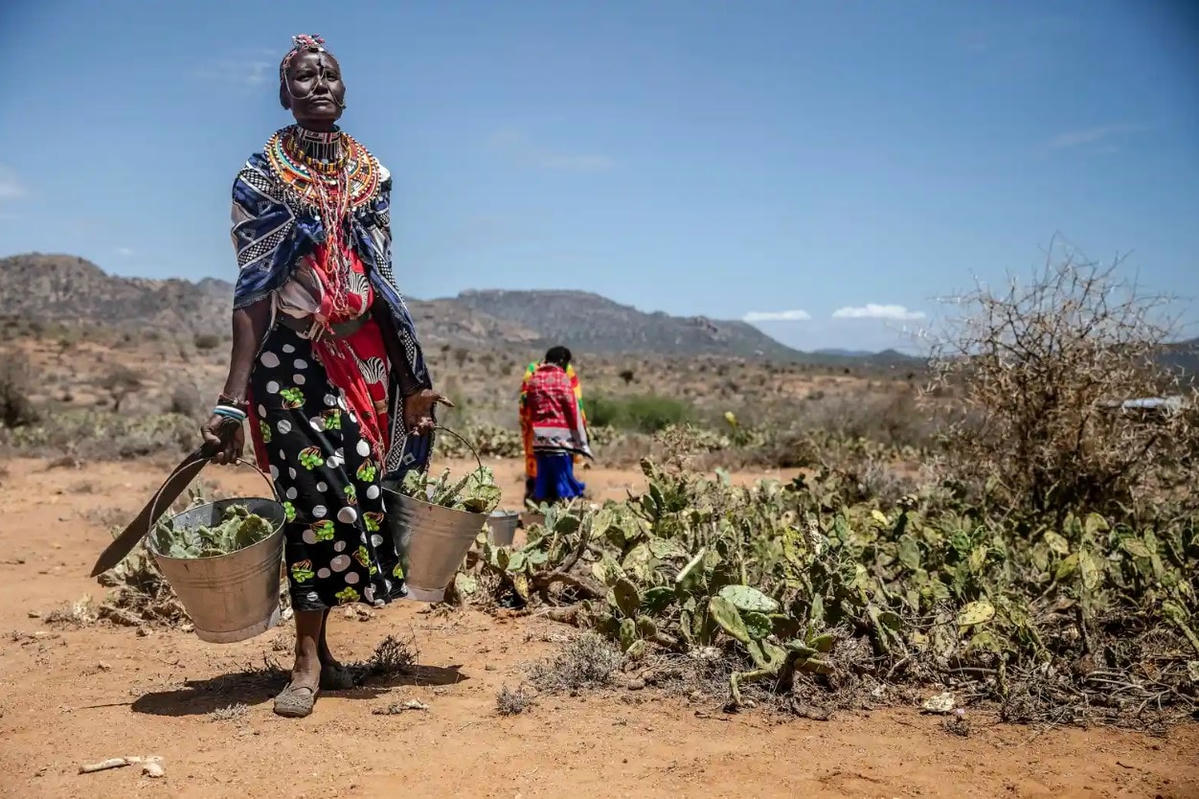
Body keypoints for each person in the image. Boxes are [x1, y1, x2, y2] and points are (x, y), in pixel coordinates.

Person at [201, 34, 449, 718]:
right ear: (284, 95)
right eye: (304, 77)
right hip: (288, 363)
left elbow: (382, 281)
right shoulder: (260, 176)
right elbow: (254, 293)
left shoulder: (373, 175)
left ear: (345, 89)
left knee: (355, 497)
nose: (319, 85)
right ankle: (305, 659)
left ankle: (325, 650)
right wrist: (231, 400)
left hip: (362, 360)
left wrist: (411, 381)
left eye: (329, 75)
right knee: (314, 499)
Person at [519, 346, 592, 503]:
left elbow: (527, 405)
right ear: (561, 361)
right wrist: (581, 435)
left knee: (543, 478)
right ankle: (565, 506)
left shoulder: (534, 378)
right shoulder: (562, 379)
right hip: (560, 439)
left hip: (539, 439)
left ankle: (539, 508)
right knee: (562, 479)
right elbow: (572, 409)